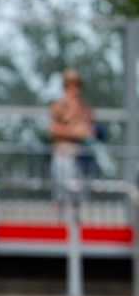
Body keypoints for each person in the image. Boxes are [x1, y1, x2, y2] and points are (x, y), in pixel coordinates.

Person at [49, 68, 95, 199]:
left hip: (81, 155)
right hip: (63, 154)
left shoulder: (84, 107)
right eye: (71, 84)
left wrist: (87, 132)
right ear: (65, 85)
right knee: (60, 194)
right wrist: (75, 132)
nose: (75, 88)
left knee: (78, 196)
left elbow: (91, 130)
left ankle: (76, 219)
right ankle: (60, 219)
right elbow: (53, 129)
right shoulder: (59, 106)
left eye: (77, 83)